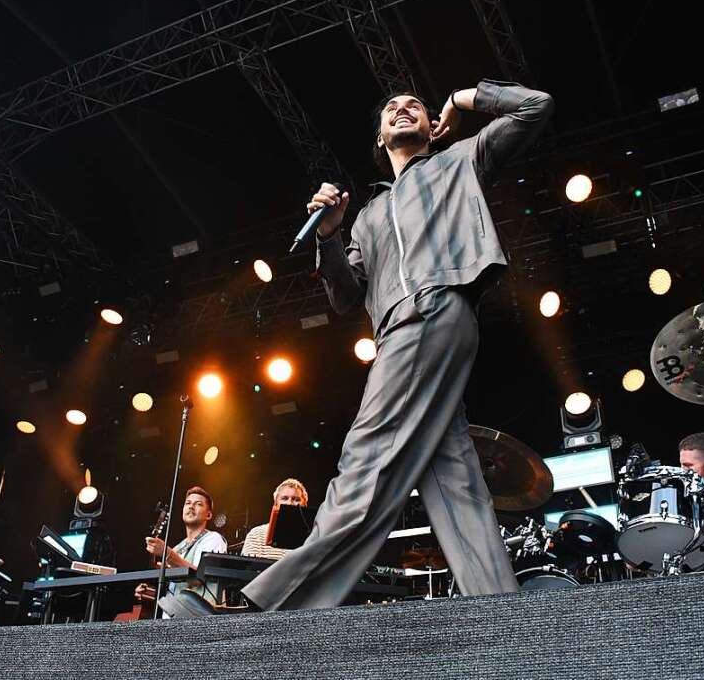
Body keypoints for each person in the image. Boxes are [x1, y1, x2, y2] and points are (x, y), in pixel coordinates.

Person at [235, 80, 554, 612]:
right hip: (396, 329)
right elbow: (344, 297)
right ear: (380, 137)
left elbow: (535, 105)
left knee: (366, 459)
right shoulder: (368, 215)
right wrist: (329, 236)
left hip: (432, 309)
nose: (403, 109)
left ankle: (281, 605)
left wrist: (461, 98)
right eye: (391, 109)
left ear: (432, 126)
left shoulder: (460, 161)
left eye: (416, 107)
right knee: (453, 478)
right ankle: (501, 612)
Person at [138, 486, 226, 617]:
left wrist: (167, 554)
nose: (191, 507)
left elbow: (198, 580)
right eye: (188, 503)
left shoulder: (213, 539)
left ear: (208, 515)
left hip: (200, 620)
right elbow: (171, 588)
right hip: (171, 621)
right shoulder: (177, 548)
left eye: (198, 504)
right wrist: (149, 592)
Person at [242, 478, 309, 560]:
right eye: (284, 498)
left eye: (296, 499)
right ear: (276, 504)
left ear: (305, 505)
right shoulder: (257, 535)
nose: (290, 503)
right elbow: (249, 570)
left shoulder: (314, 538)